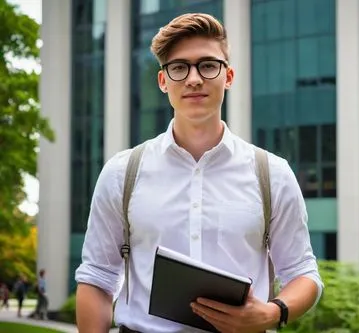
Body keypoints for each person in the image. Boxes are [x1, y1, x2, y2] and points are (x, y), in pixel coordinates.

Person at [74, 13, 323, 333]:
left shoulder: (271, 174)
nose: (194, 79)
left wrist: (272, 313)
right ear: (163, 81)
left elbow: (303, 272)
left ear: (228, 76)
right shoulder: (123, 173)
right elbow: (97, 277)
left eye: (208, 65)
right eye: (179, 67)